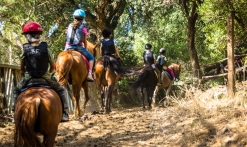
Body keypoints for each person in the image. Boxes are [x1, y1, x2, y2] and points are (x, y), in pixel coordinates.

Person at [12, 22, 69, 122]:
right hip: (45, 77)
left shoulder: (25, 49)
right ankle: (64, 113)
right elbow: (53, 66)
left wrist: (27, 72)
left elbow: (22, 68)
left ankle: (14, 113)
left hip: (29, 78)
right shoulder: (46, 48)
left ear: (28, 36)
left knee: (16, 91)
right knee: (61, 90)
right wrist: (50, 73)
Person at [64, 9, 94, 81]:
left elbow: (67, 35)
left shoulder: (69, 26)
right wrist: (86, 48)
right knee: (91, 58)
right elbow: (84, 41)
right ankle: (89, 74)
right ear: (83, 19)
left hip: (68, 47)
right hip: (78, 47)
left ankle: (57, 72)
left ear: (74, 17)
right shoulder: (83, 28)